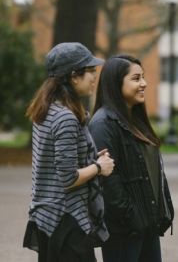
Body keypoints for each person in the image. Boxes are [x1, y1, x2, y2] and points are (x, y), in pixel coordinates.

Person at [23, 42, 115, 261]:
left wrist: (91, 159)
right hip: (66, 220)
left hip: (47, 218)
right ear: (74, 75)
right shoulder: (65, 117)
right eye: (90, 71)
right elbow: (68, 177)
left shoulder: (46, 110)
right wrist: (99, 167)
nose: (95, 77)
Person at [88, 55, 174, 262]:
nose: (144, 83)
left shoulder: (135, 120)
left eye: (143, 77)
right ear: (117, 84)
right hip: (125, 230)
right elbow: (108, 180)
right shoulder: (103, 124)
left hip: (146, 225)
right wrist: (132, 217)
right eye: (136, 79)